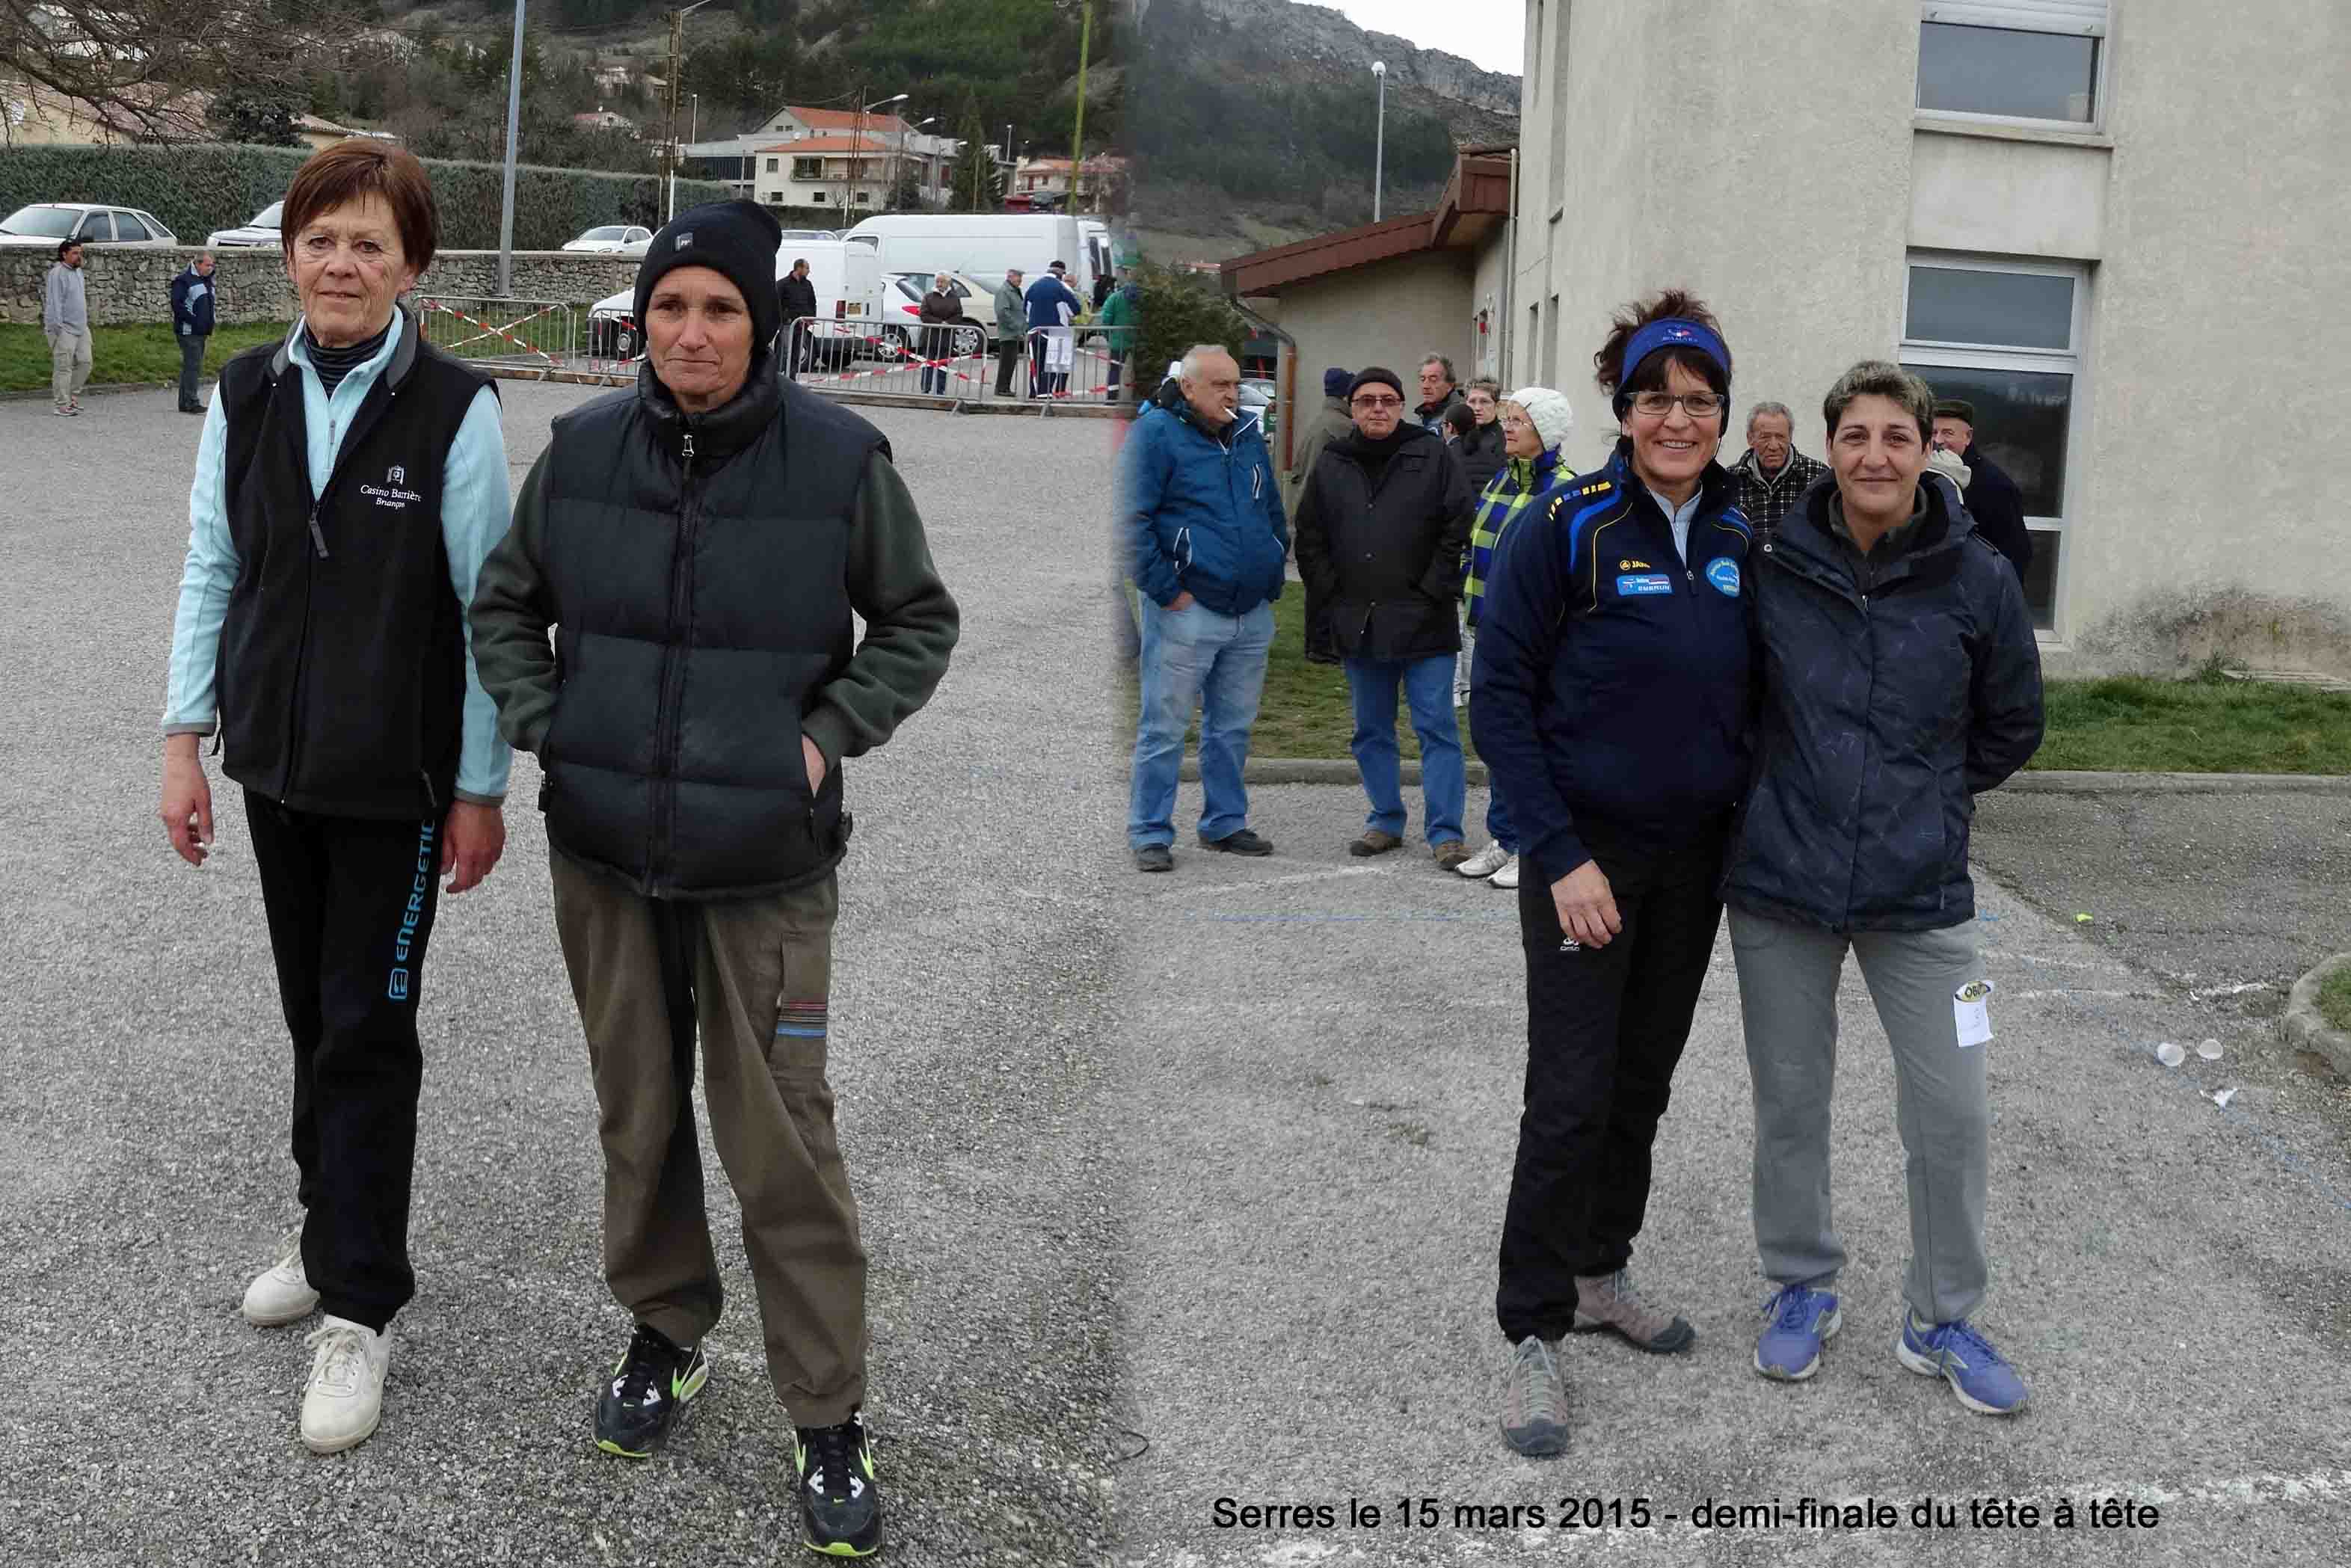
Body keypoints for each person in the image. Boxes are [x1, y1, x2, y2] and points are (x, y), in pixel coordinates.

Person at [469, 199, 959, 1558]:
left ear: (764, 325)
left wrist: (820, 737)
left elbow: (916, 621)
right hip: (607, 855)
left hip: (766, 871)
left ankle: (826, 1410)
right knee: (638, 1114)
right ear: (642, 317)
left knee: (782, 1141)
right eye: (672, 306)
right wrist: (547, 721)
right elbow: (504, 607)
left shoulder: (840, 460)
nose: (692, 332)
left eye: (721, 309)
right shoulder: (576, 456)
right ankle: (665, 1330)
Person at [156, 138, 514, 1455]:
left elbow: (487, 609)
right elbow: (212, 565)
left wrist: (480, 786)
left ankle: (359, 1305)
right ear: (289, 253)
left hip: (400, 785)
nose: (343, 263)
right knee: (313, 1016)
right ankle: (325, 1232)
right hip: (274, 770)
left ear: (412, 262)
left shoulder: (455, 405)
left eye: (370, 242)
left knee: (369, 1029)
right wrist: (183, 739)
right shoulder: (247, 390)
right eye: (321, 239)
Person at [1469, 293, 1754, 1457]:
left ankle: (1599, 1272)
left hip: (1695, 866)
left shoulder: (1746, 532)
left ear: (1722, 412)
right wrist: (1560, 852)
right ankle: (1534, 1323)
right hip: (1586, 862)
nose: (1677, 419)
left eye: (1697, 401)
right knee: (1573, 1091)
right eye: (1656, 399)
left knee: (1643, 1082)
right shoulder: (1570, 521)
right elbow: (1500, 697)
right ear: (1623, 410)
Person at [1730, 361, 2042, 1417]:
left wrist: (1932, 801)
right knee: (1790, 1102)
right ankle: (1801, 1287)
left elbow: (2012, 723)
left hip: (1926, 898)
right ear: (1831, 447)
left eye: (1895, 438)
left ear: (1926, 450)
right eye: (1855, 435)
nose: (1875, 456)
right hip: (1781, 886)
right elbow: (1734, 702)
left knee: (1954, 1111)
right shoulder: (1772, 560)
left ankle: (1941, 1315)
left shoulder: (1978, 575)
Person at [1294, 366, 1473, 868]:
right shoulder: (1334, 460)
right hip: (1360, 619)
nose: (1378, 408)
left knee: (1436, 727)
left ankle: (1446, 832)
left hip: (1424, 619)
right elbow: (1309, 534)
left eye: (1388, 400)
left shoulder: (1432, 453)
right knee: (1371, 728)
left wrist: (1432, 587)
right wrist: (1332, 590)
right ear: (1352, 408)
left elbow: (1458, 521)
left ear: (1401, 405)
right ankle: (1385, 820)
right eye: (1367, 400)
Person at [1120, 343, 1288, 871]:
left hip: (1250, 610)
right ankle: (1150, 831)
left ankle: (1224, 822)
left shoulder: (1244, 434)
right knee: (1164, 727)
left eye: (1236, 384)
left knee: (1232, 726)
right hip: (1185, 610)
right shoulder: (1154, 434)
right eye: (1220, 385)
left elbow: (1271, 507)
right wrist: (1169, 591)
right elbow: (1130, 520)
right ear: (1188, 387)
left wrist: (1273, 566)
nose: (1232, 394)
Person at [1454, 387, 1574, 891]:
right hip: (1487, 630)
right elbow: (1477, 543)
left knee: (1533, 742)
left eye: (1518, 420)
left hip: (1533, 640)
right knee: (1498, 740)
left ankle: (1535, 845)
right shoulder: (1503, 478)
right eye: (1506, 419)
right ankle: (1504, 836)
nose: (1506, 428)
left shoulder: (1564, 490)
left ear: (1544, 432)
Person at [1929, 399, 2033, 579]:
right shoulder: (1921, 474)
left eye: (1948, 433)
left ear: (1968, 437)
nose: (1938, 441)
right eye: (1934, 432)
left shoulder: (1995, 486)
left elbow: (2015, 555)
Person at [1727, 401, 1828, 542]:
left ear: (1790, 437)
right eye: (1765, 437)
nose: (1774, 446)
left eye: (1780, 437)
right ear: (1750, 439)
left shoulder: (1818, 476)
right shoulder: (1730, 481)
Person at [43, 237, 91, 416]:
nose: (79, 257)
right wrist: (58, 329)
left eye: (80, 253)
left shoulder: (78, 271)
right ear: (64, 254)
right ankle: (61, 405)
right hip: (63, 328)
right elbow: (54, 303)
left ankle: (72, 397)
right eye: (75, 253)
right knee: (64, 367)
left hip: (81, 327)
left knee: (86, 363)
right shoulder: (57, 274)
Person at [1024, 259, 1082, 398]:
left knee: (1036, 366)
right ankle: (1046, 397)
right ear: (1062, 273)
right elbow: (1075, 310)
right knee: (1053, 367)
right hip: (1058, 332)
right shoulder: (1062, 288)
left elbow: (1026, 310)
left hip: (1035, 331)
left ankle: (1034, 393)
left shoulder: (1033, 287)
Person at [170, 250, 218, 414]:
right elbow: (177, 305)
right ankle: (191, 402)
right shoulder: (184, 281)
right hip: (188, 331)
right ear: (197, 264)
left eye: (212, 265)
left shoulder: (207, 281)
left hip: (201, 331)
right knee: (193, 366)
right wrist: (195, 321)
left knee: (191, 366)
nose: (210, 268)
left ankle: (186, 402)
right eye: (207, 265)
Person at [1455, 378, 1508, 494]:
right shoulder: (1455, 437)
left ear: (1497, 406)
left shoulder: (1506, 441)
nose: (1477, 408)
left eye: (1484, 402)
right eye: (1472, 402)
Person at [917, 270, 963, 396]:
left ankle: (940, 390)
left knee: (943, 365)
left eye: (942, 281)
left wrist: (948, 323)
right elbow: (924, 314)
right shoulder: (929, 296)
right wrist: (939, 323)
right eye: (937, 281)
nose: (939, 284)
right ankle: (925, 389)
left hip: (946, 337)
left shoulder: (954, 297)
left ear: (948, 283)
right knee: (928, 364)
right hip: (930, 336)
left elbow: (959, 314)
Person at [1096, 271, 1140, 402]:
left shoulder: (1115, 298)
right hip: (1139, 342)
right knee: (1139, 372)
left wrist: (1109, 337)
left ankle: (1111, 399)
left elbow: (1106, 320)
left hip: (1118, 341)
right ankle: (1137, 399)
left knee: (1115, 371)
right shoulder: (1145, 298)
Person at [776, 257, 817, 372]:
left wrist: (811, 318)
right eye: (807, 268)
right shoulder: (783, 284)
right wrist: (785, 319)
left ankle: (791, 379)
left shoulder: (808, 284)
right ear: (799, 268)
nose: (809, 271)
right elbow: (777, 303)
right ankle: (778, 378)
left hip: (802, 326)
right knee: (785, 352)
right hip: (788, 325)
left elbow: (812, 302)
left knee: (797, 353)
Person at [993, 267, 1026, 397]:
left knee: (1010, 362)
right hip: (1009, 333)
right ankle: (1001, 388)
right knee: (1006, 363)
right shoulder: (1005, 291)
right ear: (1010, 277)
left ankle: (1004, 387)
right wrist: (1017, 327)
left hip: (1014, 333)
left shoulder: (1014, 291)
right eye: (1018, 277)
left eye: (1021, 277)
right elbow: (1002, 312)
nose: (1020, 280)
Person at [1414, 353, 1465, 435]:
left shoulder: (1461, 415)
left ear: (1450, 385)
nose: (1425, 386)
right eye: (1423, 379)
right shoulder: (1421, 415)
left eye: (1433, 380)